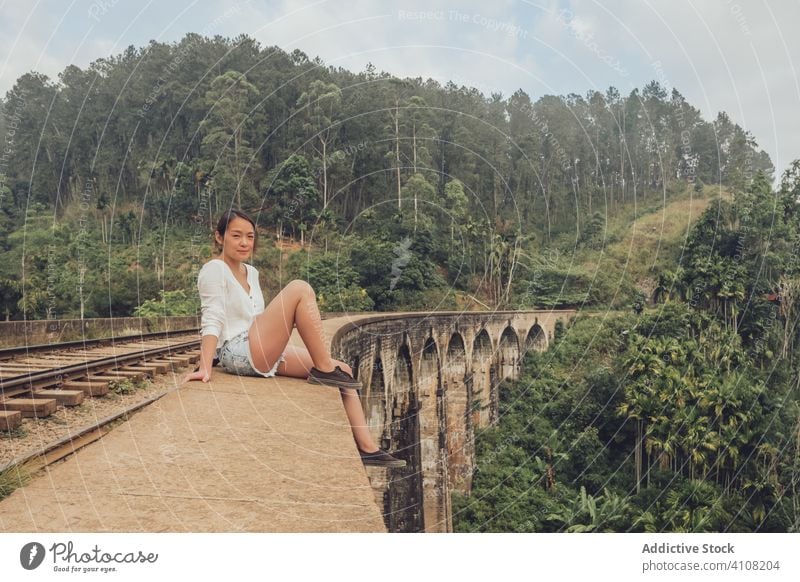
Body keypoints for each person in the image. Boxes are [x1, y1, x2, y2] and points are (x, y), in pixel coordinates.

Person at [182, 209, 405, 468]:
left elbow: (259, 318)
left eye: (250, 236)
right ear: (220, 238)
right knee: (299, 288)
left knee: (344, 371)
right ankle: (324, 369)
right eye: (236, 236)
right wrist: (206, 366)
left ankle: (368, 448)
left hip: (261, 347)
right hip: (238, 351)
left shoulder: (251, 272)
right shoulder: (214, 270)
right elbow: (213, 318)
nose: (244, 242)